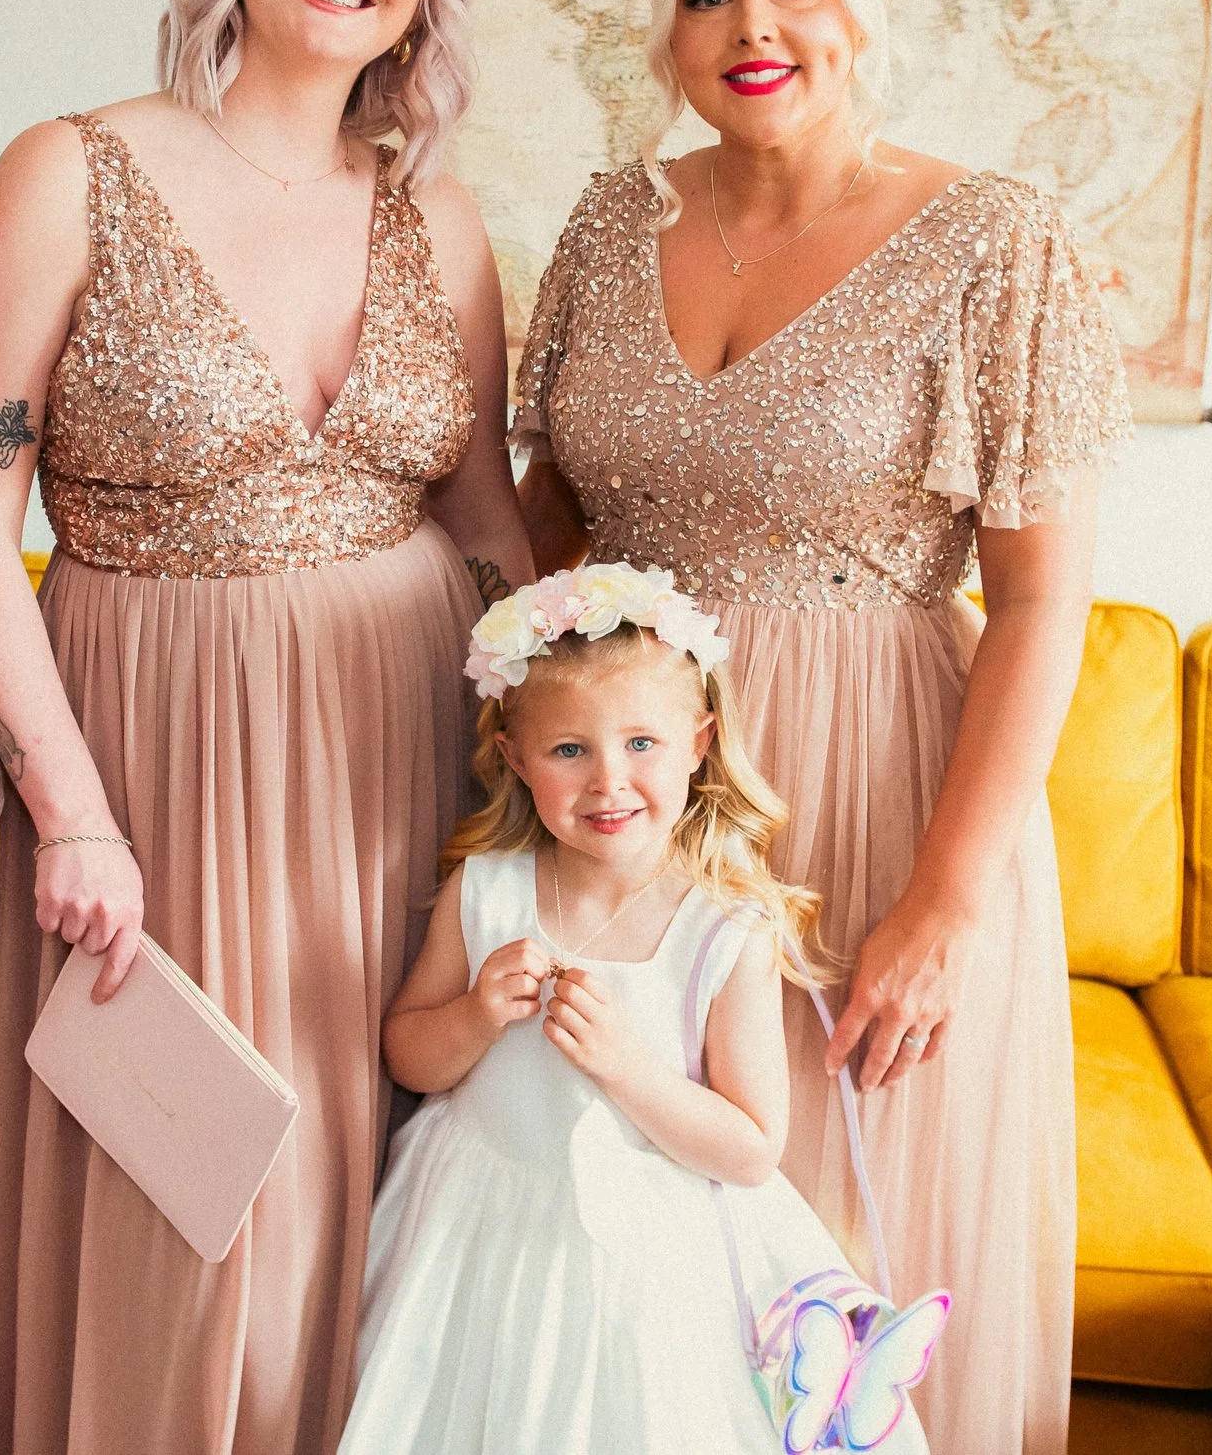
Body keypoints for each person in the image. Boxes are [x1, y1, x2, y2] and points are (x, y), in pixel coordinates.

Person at [0, 0, 535, 1454]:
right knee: (185, 1174)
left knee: (391, 1147)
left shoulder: (446, 221)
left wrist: (581, 753)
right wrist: (68, 811)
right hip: (155, 747)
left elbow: (483, 506)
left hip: (402, 746)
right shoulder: (71, 172)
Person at [512, 0, 1134, 1453]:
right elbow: (545, 517)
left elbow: (1045, 597)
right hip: (638, 797)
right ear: (665, 38)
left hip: (873, 789)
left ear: (864, 6)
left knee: (847, 1245)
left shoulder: (1000, 243)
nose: (751, 23)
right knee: (640, 1241)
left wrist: (947, 897)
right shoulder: (602, 227)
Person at [342, 565, 936, 1453]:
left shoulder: (723, 924)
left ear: (699, 742)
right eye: (569, 750)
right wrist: (472, 1015)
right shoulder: (488, 889)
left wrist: (627, 1065)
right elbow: (407, 1055)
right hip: (481, 1231)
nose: (608, 781)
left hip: (654, 1259)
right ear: (514, 757)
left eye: (642, 744)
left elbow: (749, 1146)